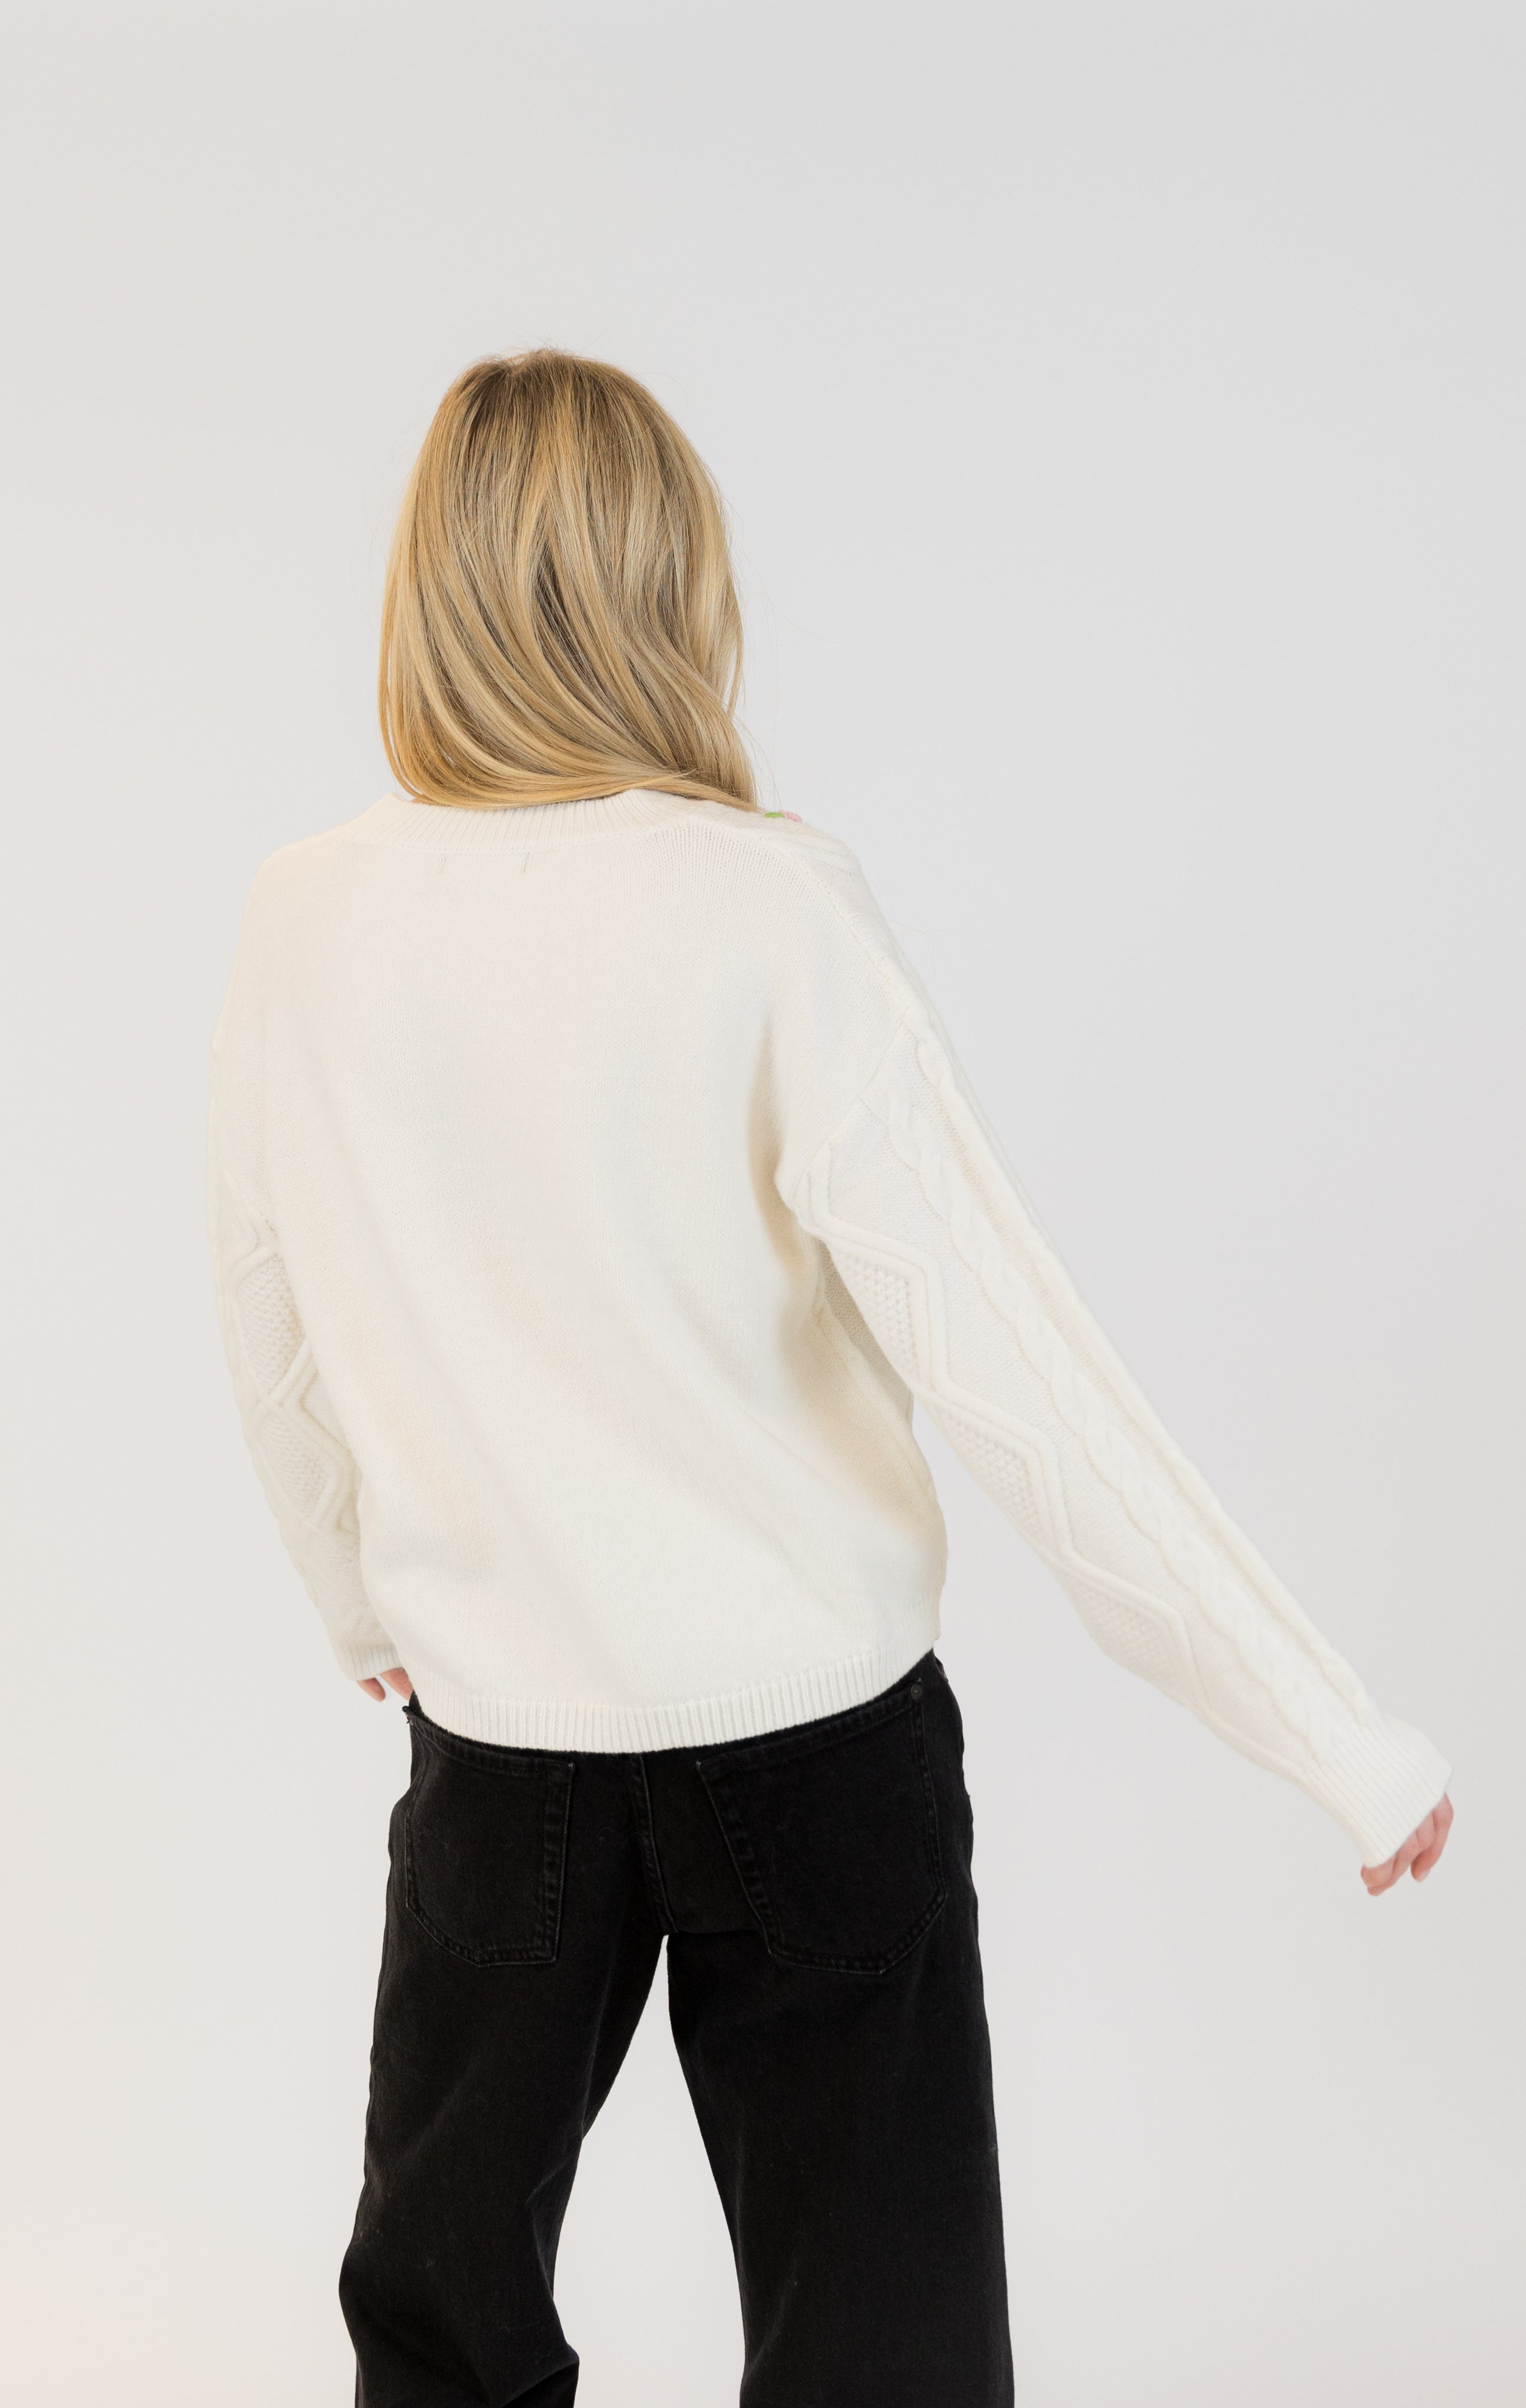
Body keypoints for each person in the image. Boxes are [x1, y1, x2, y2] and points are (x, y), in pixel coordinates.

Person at [206, 350, 1452, 2408]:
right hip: (809, 1740)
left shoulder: (304, 917)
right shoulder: (768, 905)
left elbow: (269, 1320)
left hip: (496, 1746)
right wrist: (1328, 1731)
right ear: (669, 583)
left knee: (438, 2317)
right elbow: (1022, 1372)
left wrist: (364, 1600)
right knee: (881, 2345)